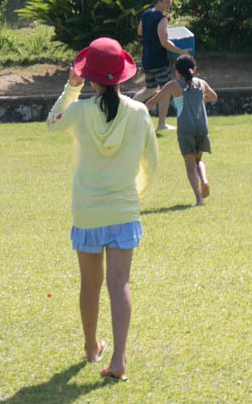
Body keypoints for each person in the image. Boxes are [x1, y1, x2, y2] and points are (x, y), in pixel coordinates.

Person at [46, 37, 159, 382]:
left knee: (90, 284)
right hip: (123, 210)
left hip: (88, 212)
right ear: (121, 77)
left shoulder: (79, 111)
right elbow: (150, 161)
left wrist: (70, 87)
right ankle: (120, 358)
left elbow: (52, 122)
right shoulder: (139, 112)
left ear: (90, 78)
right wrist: (133, 193)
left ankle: (91, 347)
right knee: (119, 283)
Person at [144, 54, 217, 206]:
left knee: (189, 164)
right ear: (193, 69)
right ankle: (204, 180)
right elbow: (214, 96)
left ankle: (198, 199)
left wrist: (139, 111)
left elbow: (152, 102)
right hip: (202, 127)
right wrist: (200, 100)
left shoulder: (173, 85)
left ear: (177, 71)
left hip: (186, 128)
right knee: (198, 161)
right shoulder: (200, 83)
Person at [132, 0, 189, 131]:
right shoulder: (162, 19)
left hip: (147, 59)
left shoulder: (146, 14)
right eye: (167, 2)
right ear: (158, 2)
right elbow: (164, 42)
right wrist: (182, 52)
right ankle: (161, 124)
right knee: (166, 90)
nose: (169, 5)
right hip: (159, 61)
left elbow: (140, 32)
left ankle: (127, 111)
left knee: (150, 89)